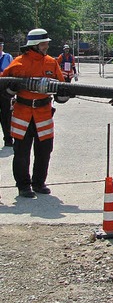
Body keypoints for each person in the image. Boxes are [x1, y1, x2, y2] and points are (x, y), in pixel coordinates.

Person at [1, 29, 68, 198]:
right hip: (22, 113)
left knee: (44, 149)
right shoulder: (18, 63)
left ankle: (39, 183)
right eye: (44, 43)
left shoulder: (51, 63)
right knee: (21, 151)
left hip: (44, 113)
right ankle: (23, 186)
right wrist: (10, 89)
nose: (47, 46)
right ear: (35, 45)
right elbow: (3, 87)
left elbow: (61, 86)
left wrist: (63, 94)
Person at [0, 36, 14, 147]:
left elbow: (13, 73)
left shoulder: (7, 57)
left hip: (4, 90)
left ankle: (8, 138)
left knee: (6, 115)